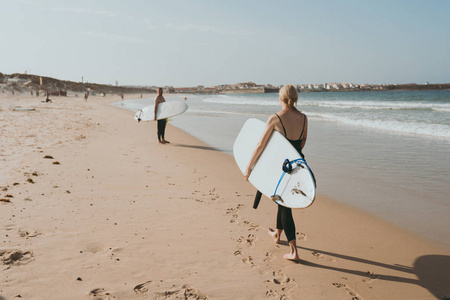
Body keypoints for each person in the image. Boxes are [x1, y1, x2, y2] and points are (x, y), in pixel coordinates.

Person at [244, 85, 308, 261]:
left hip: (279, 167)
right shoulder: (304, 118)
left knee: (285, 205)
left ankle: (294, 251)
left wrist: (249, 166)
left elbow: (260, 145)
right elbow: (302, 142)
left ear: (281, 98)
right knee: (281, 201)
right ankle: (277, 234)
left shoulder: (275, 118)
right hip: (297, 166)